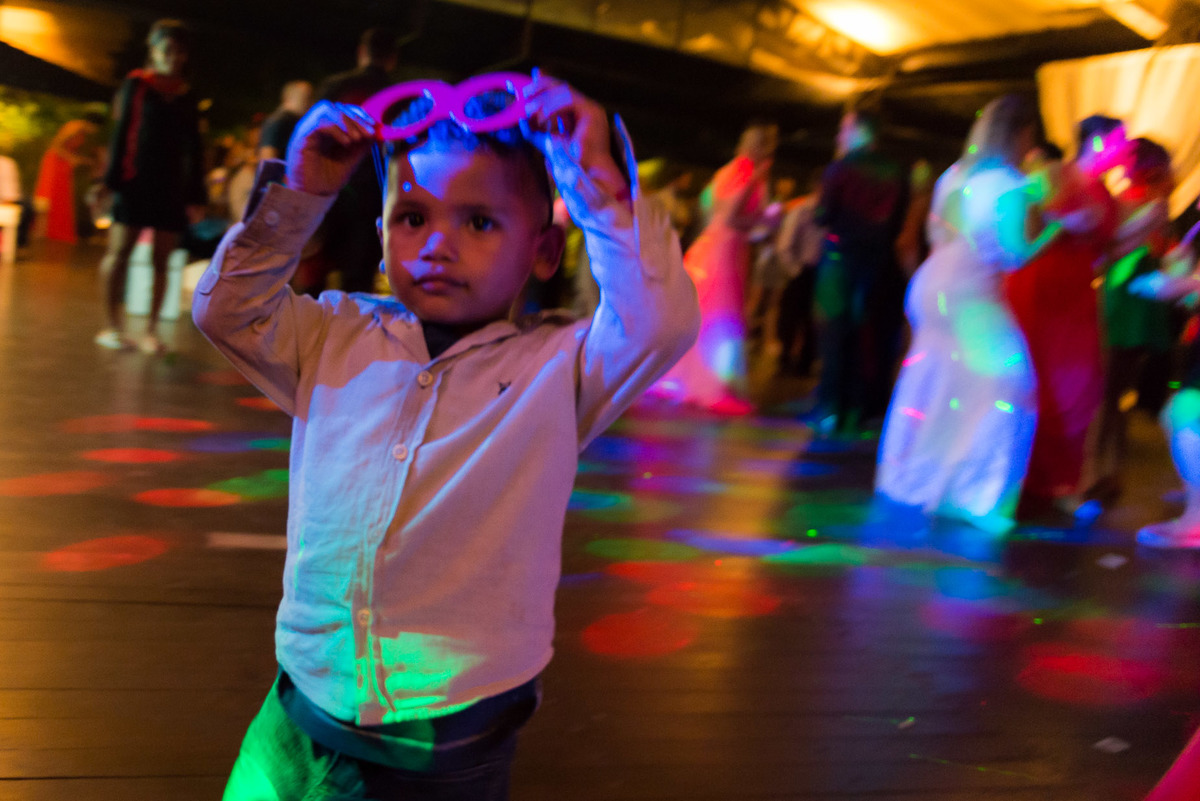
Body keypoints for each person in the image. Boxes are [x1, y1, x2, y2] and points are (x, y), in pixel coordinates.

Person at [194, 73, 700, 799]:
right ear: (380, 236)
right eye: (412, 218)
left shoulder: (558, 368)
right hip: (302, 696)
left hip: (442, 742)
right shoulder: (334, 331)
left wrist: (592, 178)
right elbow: (225, 312)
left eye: (480, 222)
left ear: (545, 250)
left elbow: (662, 321)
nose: (438, 245)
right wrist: (301, 195)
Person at [875, 95, 1060, 535]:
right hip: (971, 292)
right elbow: (1016, 256)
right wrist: (1053, 228)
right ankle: (975, 493)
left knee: (939, 381)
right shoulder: (1010, 183)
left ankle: (917, 476)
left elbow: (935, 231)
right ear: (1020, 135)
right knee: (1010, 385)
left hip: (932, 284)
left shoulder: (954, 175)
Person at [1004, 118, 1123, 518]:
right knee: (1046, 381)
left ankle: (1066, 482)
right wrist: (1062, 222)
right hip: (1043, 287)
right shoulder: (1054, 173)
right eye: (1118, 141)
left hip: (1079, 294)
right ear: (1098, 141)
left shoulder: (1105, 190)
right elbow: (1024, 219)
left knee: (1080, 386)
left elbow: (1110, 246)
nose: (1122, 151)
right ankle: (1030, 480)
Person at [650, 121, 776, 414]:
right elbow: (732, 219)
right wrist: (763, 219)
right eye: (767, 148)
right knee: (719, 317)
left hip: (716, 248)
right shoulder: (746, 174)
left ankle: (685, 376)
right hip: (724, 251)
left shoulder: (728, 172)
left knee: (706, 316)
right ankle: (710, 382)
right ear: (757, 148)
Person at [96, 19, 206, 353]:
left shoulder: (188, 96)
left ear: (185, 56)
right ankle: (111, 326)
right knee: (119, 254)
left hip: (170, 186)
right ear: (154, 50)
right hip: (133, 182)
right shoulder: (137, 85)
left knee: (164, 260)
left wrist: (197, 195)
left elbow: (195, 149)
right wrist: (110, 183)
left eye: (179, 51)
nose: (173, 57)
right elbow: (122, 135)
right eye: (166, 49)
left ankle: (152, 331)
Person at [809, 109, 910, 433]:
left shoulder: (839, 168)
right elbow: (897, 220)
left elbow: (822, 215)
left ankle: (831, 409)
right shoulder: (896, 170)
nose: (840, 135)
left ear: (860, 131)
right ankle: (862, 409)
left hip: (839, 261)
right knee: (869, 337)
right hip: (878, 262)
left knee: (835, 335)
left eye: (844, 129)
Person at [1091, 136, 1176, 509]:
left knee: (1115, 393)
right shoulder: (1139, 205)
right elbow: (1115, 248)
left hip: (1131, 302)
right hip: (1125, 300)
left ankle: (1107, 471)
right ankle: (1105, 471)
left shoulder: (1147, 206)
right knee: (1113, 393)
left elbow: (1127, 247)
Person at [297, 28, 398, 296]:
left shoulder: (336, 85)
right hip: (374, 195)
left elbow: (312, 132)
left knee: (316, 270)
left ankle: (309, 332)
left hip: (331, 191)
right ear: (392, 58)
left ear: (362, 52)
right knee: (359, 280)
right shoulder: (399, 96)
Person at [33, 112, 104, 244]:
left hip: (64, 163)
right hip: (55, 162)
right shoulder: (75, 127)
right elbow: (55, 145)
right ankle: (46, 231)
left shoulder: (83, 133)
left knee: (62, 196)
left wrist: (82, 160)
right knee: (52, 195)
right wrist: (70, 158)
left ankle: (57, 230)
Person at [259, 80, 313, 162]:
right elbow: (267, 159)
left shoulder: (293, 121)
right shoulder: (278, 121)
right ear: (291, 97)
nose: (311, 104)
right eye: (307, 98)